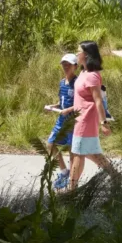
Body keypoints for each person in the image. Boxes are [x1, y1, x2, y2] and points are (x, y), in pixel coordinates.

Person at [68, 41, 120, 190]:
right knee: (91, 152)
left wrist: (104, 123)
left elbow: (98, 101)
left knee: (78, 153)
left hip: (86, 120)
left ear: (86, 55)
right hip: (79, 119)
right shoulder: (84, 73)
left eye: (78, 51)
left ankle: (71, 190)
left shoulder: (92, 76)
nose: (76, 53)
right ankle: (116, 175)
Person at [43, 52, 78, 190]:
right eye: (64, 64)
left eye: (68, 65)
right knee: (50, 144)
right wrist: (54, 106)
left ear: (75, 66)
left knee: (71, 150)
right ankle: (64, 171)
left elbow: (81, 104)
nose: (66, 67)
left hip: (72, 122)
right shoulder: (62, 83)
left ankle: (72, 180)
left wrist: (68, 110)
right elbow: (62, 101)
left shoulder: (78, 83)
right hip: (61, 120)